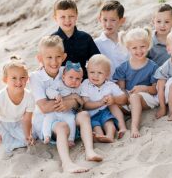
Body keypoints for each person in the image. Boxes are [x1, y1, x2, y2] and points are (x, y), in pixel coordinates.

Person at [30, 35, 102, 173]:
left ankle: (89, 151)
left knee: (84, 115)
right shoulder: (36, 77)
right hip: (47, 121)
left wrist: (73, 102)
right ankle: (67, 163)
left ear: (63, 57)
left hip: (67, 115)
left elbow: (79, 102)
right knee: (62, 126)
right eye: (49, 57)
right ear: (40, 59)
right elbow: (44, 107)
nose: (54, 61)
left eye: (57, 57)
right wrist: (71, 100)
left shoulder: (66, 71)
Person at [113, 28, 159, 138]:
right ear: (128, 49)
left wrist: (143, 88)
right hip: (128, 97)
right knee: (112, 100)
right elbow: (121, 88)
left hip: (146, 97)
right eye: (134, 48)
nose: (139, 51)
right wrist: (126, 96)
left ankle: (134, 127)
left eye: (142, 46)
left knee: (135, 98)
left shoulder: (153, 66)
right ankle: (121, 125)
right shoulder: (123, 68)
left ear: (148, 45)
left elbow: (155, 89)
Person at [0, 56, 35, 158]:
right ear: (5, 80)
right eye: (14, 78)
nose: (19, 81)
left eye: (22, 77)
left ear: (27, 78)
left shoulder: (29, 96)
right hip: (2, 124)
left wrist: (27, 135)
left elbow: (27, 120)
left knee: (27, 139)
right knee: (3, 144)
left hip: (19, 123)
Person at [81, 54, 127, 143]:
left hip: (105, 113)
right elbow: (85, 104)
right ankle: (100, 136)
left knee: (109, 123)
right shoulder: (85, 84)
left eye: (100, 73)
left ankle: (111, 134)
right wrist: (100, 103)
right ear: (87, 71)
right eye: (92, 72)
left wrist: (113, 99)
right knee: (96, 127)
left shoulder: (110, 85)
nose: (95, 76)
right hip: (91, 115)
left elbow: (124, 98)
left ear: (107, 74)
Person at [52, 0, 100, 79]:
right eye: (62, 17)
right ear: (55, 18)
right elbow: (46, 64)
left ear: (76, 16)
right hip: (60, 83)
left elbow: (97, 60)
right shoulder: (52, 40)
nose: (67, 20)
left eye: (71, 16)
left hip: (83, 81)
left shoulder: (85, 38)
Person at [42, 61, 84, 147]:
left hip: (68, 112)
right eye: (71, 77)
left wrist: (79, 100)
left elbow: (82, 101)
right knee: (47, 119)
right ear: (64, 77)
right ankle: (47, 135)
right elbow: (49, 91)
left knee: (71, 120)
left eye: (77, 79)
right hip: (54, 111)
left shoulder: (80, 88)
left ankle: (71, 139)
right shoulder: (59, 84)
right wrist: (56, 95)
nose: (74, 81)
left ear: (81, 80)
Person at [94, 0, 128, 79]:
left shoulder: (127, 41)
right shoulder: (96, 43)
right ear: (100, 19)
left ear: (122, 21)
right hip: (106, 85)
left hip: (127, 84)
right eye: (105, 20)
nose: (108, 24)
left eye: (113, 20)